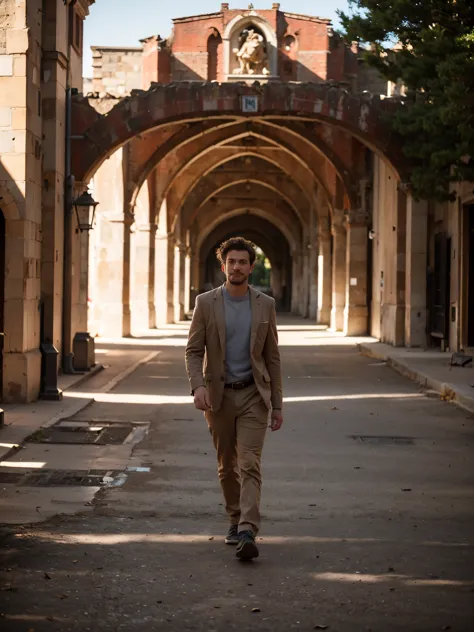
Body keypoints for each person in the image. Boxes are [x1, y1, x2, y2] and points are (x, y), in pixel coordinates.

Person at [185, 237, 283, 561]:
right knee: (227, 466)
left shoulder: (265, 305)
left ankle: (247, 529)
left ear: (252, 267)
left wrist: (278, 405)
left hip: (255, 395)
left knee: (249, 463)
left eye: (243, 262)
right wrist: (197, 386)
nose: (237, 267)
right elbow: (193, 350)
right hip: (219, 398)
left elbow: (273, 359)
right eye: (232, 262)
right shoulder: (206, 303)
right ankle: (233, 518)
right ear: (223, 265)